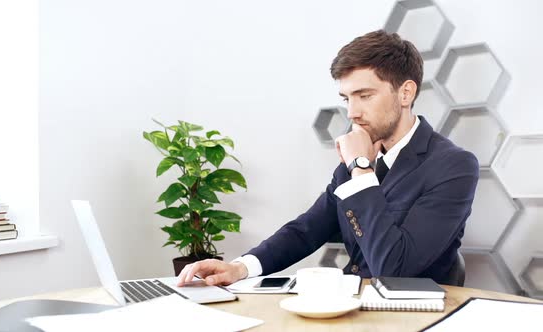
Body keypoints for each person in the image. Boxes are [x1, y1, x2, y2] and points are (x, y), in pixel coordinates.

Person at [177, 30, 479, 287]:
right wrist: (240, 268)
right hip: (351, 309)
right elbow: (307, 229)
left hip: (412, 318)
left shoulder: (454, 166)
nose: (352, 113)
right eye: (347, 98)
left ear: (406, 93)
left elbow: (393, 268)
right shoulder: (358, 156)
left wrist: (360, 168)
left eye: (365, 95)